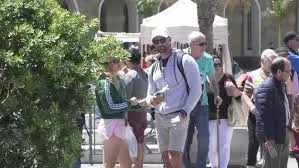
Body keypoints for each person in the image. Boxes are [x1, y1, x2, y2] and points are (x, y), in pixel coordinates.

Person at [146, 27, 202, 168]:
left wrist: (184, 111)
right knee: (165, 158)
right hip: (160, 116)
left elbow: (197, 90)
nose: (160, 44)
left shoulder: (185, 60)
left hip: (179, 114)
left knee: (174, 155)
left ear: (170, 40)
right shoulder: (153, 68)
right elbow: (149, 96)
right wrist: (152, 101)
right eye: (156, 41)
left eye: (162, 40)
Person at [182, 31, 219, 168]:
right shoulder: (180, 57)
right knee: (185, 140)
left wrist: (216, 93)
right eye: (201, 44)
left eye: (205, 43)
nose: (204, 46)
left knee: (204, 138)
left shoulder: (208, 59)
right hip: (184, 105)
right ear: (190, 45)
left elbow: (212, 78)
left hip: (201, 104)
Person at [95, 55, 138, 168]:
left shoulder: (118, 79)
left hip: (120, 125)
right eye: (114, 61)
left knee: (127, 164)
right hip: (111, 126)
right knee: (109, 164)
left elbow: (124, 103)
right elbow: (109, 107)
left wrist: (140, 103)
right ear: (107, 64)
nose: (119, 63)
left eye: (118, 60)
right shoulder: (104, 82)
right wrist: (130, 103)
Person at [254, 57, 292, 168]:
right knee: (271, 165)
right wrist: (269, 137)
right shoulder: (267, 87)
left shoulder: (279, 85)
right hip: (272, 137)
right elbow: (264, 116)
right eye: (288, 71)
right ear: (279, 72)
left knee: (281, 165)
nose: (290, 74)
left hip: (282, 131)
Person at [244, 49, 278, 168]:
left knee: (271, 143)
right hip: (256, 114)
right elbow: (246, 94)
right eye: (270, 62)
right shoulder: (252, 75)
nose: (272, 64)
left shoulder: (277, 76)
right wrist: (251, 107)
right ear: (262, 62)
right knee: (253, 142)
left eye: (274, 62)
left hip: (273, 115)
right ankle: (250, 164)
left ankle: (268, 164)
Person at [207, 56, 242, 168]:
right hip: (209, 116)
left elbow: (238, 97)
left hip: (226, 117)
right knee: (211, 145)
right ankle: (214, 165)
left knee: (224, 145)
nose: (217, 67)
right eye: (214, 65)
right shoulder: (205, 79)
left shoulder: (228, 78)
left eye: (219, 64)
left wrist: (232, 88)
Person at [124, 47, 148, 168]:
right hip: (143, 112)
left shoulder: (130, 75)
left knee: (134, 142)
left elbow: (125, 98)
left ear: (128, 60)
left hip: (132, 113)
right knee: (140, 140)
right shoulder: (144, 74)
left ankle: (137, 165)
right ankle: (140, 165)